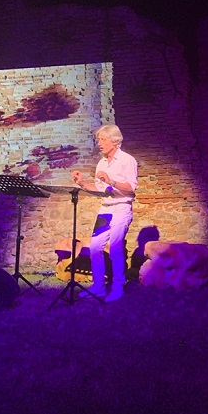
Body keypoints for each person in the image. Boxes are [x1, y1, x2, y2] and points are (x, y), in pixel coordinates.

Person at [72, 124, 138, 302]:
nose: (99, 143)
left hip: (121, 208)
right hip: (105, 209)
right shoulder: (101, 163)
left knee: (115, 248)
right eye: (98, 140)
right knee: (95, 247)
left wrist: (111, 181)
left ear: (115, 141)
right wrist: (82, 183)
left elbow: (131, 188)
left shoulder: (127, 160)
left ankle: (118, 287)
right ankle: (99, 286)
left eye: (103, 139)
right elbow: (100, 189)